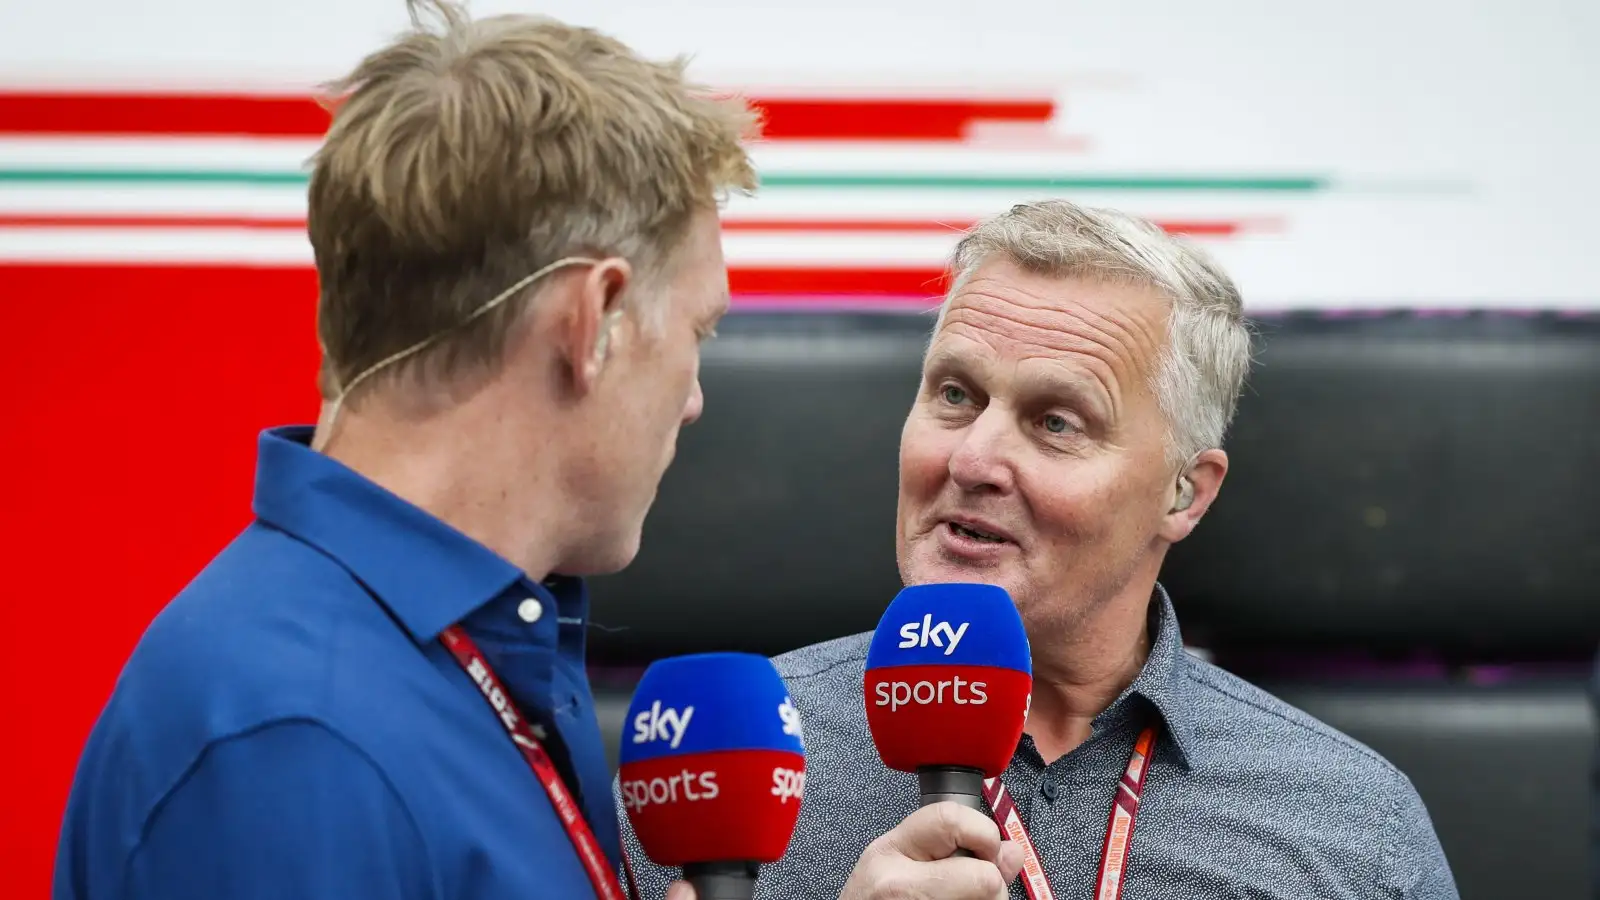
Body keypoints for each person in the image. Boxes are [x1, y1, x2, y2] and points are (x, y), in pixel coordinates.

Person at [52, 2, 760, 898]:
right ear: (594, 322)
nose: (694, 401)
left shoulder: (476, 648)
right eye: (698, 330)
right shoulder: (299, 747)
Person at [622, 200, 1460, 900]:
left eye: (1056, 422)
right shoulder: (714, 765)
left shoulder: (1353, 826)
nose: (973, 460)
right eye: (955, 394)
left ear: (1185, 492)